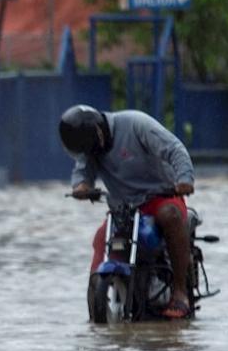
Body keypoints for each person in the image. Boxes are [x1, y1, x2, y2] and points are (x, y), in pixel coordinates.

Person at [59, 104, 196, 319]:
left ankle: (179, 293)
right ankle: (95, 293)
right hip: (123, 208)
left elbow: (175, 149)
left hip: (161, 196)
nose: (88, 154)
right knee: (99, 237)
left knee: (170, 215)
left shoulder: (136, 124)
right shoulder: (90, 148)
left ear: (98, 132)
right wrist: (81, 189)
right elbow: (82, 174)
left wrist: (184, 179)